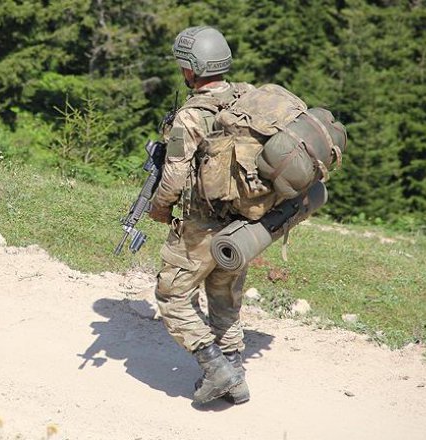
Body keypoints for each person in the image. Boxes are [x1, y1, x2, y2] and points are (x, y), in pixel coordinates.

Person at [148, 25, 254, 405]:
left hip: (201, 224)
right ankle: (235, 373)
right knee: (224, 294)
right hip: (245, 222)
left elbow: (175, 173)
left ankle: (217, 368)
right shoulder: (245, 98)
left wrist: (159, 207)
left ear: (191, 69)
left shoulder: (191, 115)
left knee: (171, 295)